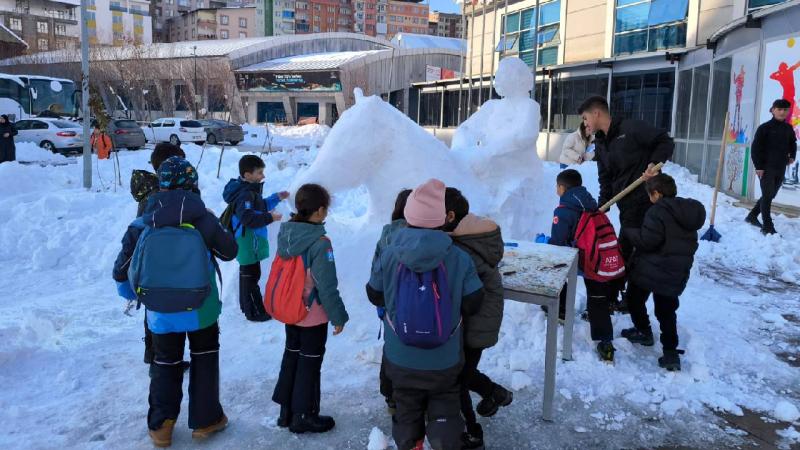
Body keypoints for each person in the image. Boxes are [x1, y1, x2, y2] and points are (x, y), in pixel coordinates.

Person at [112, 157, 237, 447]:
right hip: (201, 307)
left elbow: (121, 270)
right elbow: (230, 252)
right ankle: (206, 421)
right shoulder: (202, 217)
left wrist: (133, 295)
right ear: (192, 183)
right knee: (204, 359)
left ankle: (161, 427)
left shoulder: (144, 219)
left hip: (160, 311)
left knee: (165, 362)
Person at [366, 179, 484, 450]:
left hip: (400, 355)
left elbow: (374, 294)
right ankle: (445, 440)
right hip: (444, 358)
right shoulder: (458, 257)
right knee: (445, 408)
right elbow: (473, 301)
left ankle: (411, 444)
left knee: (406, 408)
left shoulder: (390, 253)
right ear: (442, 218)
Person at [578, 96, 673, 310]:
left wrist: (653, 163)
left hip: (648, 201)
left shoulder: (631, 128)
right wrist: (601, 208)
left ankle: (616, 299)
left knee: (628, 252)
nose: (585, 124)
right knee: (627, 253)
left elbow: (664, 140)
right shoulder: (601, 145)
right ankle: (626, 300)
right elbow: (606, 179)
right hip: (627, 206)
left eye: (585, 119)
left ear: (596, 113)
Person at [272, 183, 349, 434]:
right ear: (318, 211)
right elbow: (326, 286)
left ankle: (286, 411)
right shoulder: (320, 243)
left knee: (292, 356)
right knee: (309, 363)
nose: (326, 214)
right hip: (311, 315)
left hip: (291, 310)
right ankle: (304, 415)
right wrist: (338, 316)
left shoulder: (287, 234)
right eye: (325, 209)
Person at [442, 187, 511, 450]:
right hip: (479, 320)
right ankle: (494, 393)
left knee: (455, 379)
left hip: (473, 323)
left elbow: (462, 293)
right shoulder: (474, 234)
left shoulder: (462, 249)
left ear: (449, 216)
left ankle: (472, 433)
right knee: (461, 371)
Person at [620, 174, 706, 371]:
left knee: (634, 299)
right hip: (676, 271)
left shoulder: (657, 212)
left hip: (651, 269)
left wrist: (629, 231)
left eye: (650, 194)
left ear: (657, 193)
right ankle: (670, 353)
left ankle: (643, 331)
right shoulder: (687, 212)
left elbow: (647, 241)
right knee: (666, 312)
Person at [548, 169, 618, 362]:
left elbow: (558, 242)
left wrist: (548, 244)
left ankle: (560, 310)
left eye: (557, 187)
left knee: (557, 272)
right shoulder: (592, 205)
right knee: (597, 300)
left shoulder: (563, 211)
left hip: (578, 259)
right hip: (596, 259)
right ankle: (605, 343)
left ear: (561, 188)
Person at [129, 143, 186, 367]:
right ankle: (158, 358)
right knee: (158, 308)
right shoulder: (157, 197)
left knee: (155, 306)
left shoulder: (155, 193)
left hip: (153, 261)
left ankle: (153, 353)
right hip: (158, 260)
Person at [222, 155, 288, 322]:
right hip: (248, 241)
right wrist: (269, 218)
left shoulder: (248, 191)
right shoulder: (245, 194)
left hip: (248, 241)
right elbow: (248, 219)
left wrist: (276, 197)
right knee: (250, 278)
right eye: (259, 173)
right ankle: (254, 312)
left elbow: (260, 205)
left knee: (248, 276)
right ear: (247, 175)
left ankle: (249, 307)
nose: (263, 176)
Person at [370, 188, 413, 415]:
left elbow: (376, 269)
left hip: (389, 303)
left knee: (392, 347)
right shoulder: (424, 233)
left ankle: (391, 397)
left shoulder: (387, 234)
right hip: (417, 303)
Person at [745, 99, 797, 235]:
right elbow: (756, 149)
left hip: (780, 167)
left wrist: (792, 156)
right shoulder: (764, 128)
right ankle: (767, 226)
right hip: (766, 167)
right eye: (779, 109)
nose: (782, 112)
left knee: (770, 194)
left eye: (785, 110)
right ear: (773, 110)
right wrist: (759, 167)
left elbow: (793, 143)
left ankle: (751, 216)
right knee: (767, 196)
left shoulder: (788, 128)